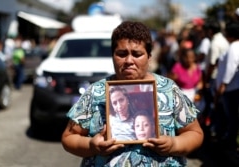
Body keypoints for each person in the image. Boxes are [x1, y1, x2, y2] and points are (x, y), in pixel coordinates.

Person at [61, 21, 204, 166]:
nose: (129, 60)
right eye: (122, 54)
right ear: (112, 56)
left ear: (149, 57)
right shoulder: (95, 92)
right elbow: (69, 137)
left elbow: (194, 133)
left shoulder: (169, 90)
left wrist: (173, 144)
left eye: (137, 54)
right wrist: (92, 145)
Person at [214, 22, 239, 166]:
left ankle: (230, 143)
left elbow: (230, 67)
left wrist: (222, 86)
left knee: (231, 118)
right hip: (232, 87)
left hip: (230, 88)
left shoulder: (234, 48)